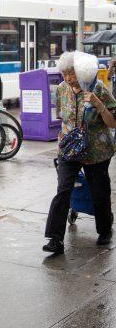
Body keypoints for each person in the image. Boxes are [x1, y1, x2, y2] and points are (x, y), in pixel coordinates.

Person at [43, 52, 116, 254]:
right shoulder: (61, 90)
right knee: (63, 191)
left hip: (96, 150)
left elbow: (113, 122)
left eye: (71, 74)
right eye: (64, 74)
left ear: (82, 72)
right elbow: (63, 118)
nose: (68, 78)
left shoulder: (98, 88)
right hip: (69, 149)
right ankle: (55, 239)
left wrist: (98, 105)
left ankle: (104, 229)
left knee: (99, 192)